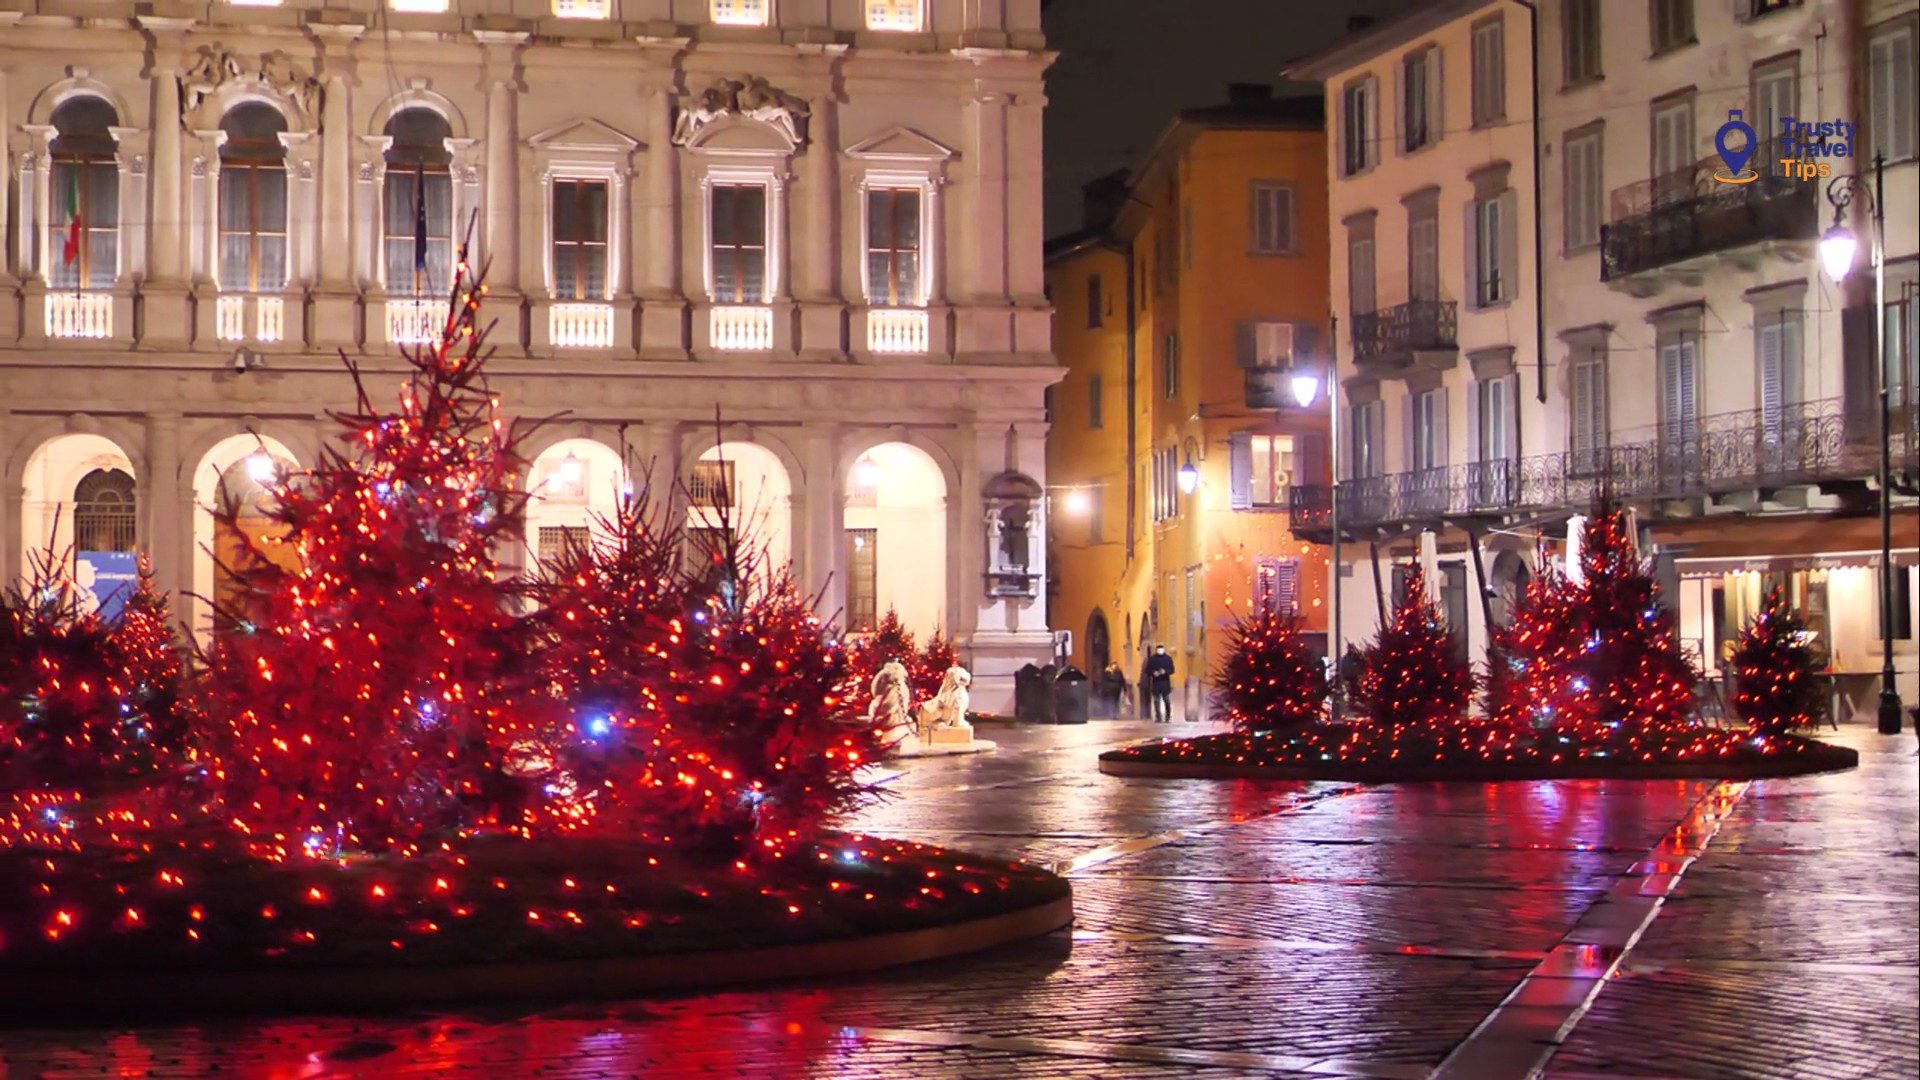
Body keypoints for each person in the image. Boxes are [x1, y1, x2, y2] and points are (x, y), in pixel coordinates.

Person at [1144, 645, 1175, 723]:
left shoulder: (1168, 659)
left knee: (1166, 700)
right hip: (1156, 683)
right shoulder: (1152, 659)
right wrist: (1153, 673)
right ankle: (1158, 717)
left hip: (1165, 683)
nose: (1160, 650)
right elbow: (1147, 670)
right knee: (1156, 701)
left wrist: (1165, 672)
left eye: (1161, 649)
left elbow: (1172, 670)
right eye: (1158, 649)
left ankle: (1168, 716)